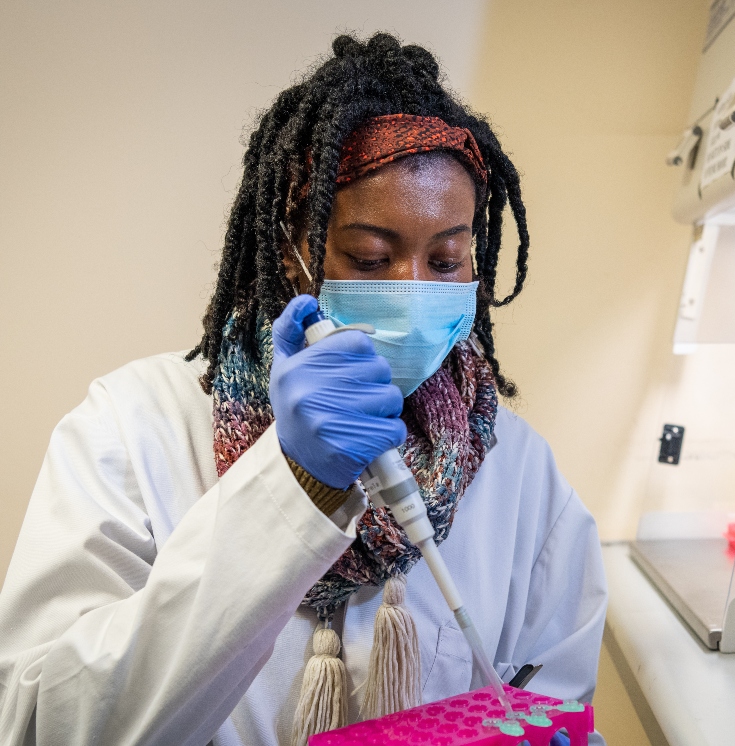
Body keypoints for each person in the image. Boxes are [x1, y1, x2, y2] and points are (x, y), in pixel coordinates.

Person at [0, 33, 607, 746]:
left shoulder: (521, 473)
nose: (412, 293)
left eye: (446, 260)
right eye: (370, 257)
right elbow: (42, 726)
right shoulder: (132, 431)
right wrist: (289, 490)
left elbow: (555, 708)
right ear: (292, 247)